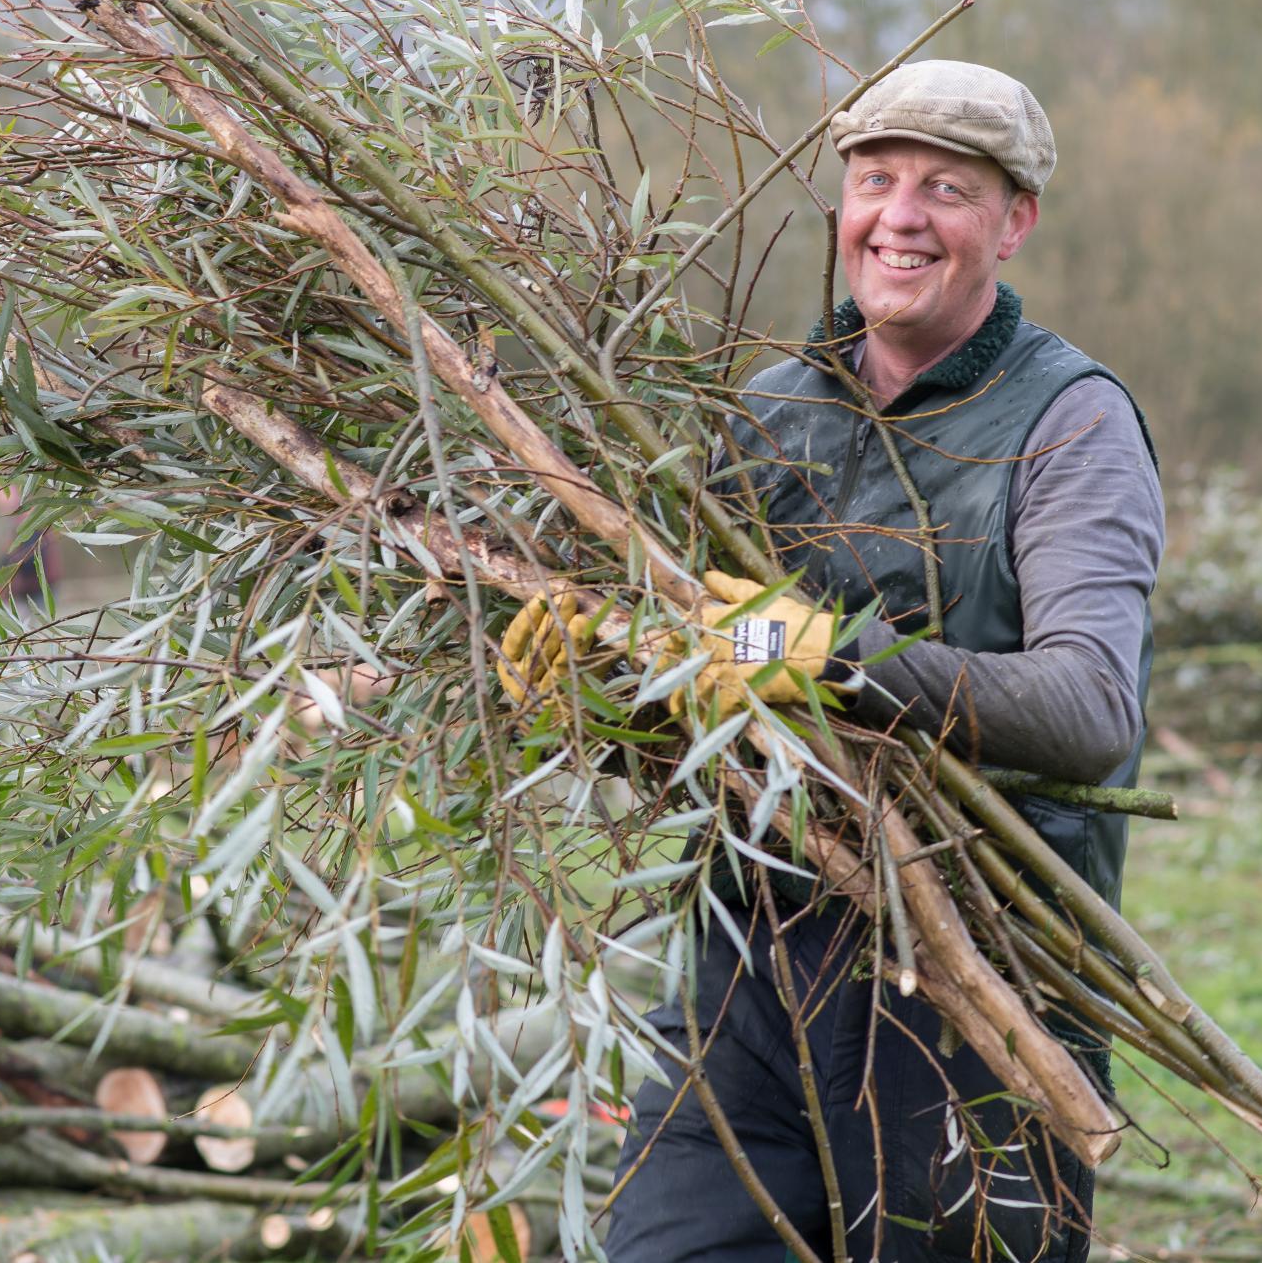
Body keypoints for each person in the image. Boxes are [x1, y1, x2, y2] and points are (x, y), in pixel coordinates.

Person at [496, 61, 1162, 1261]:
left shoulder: (1072, 424)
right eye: (875, 181)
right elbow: (709, 678)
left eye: (947, 189)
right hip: (752, 955)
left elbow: (1088, 707)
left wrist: (827, 655)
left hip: (977, 981)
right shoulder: (768, 408)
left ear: (1015, 222)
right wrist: (589, 694)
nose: (900, 217)